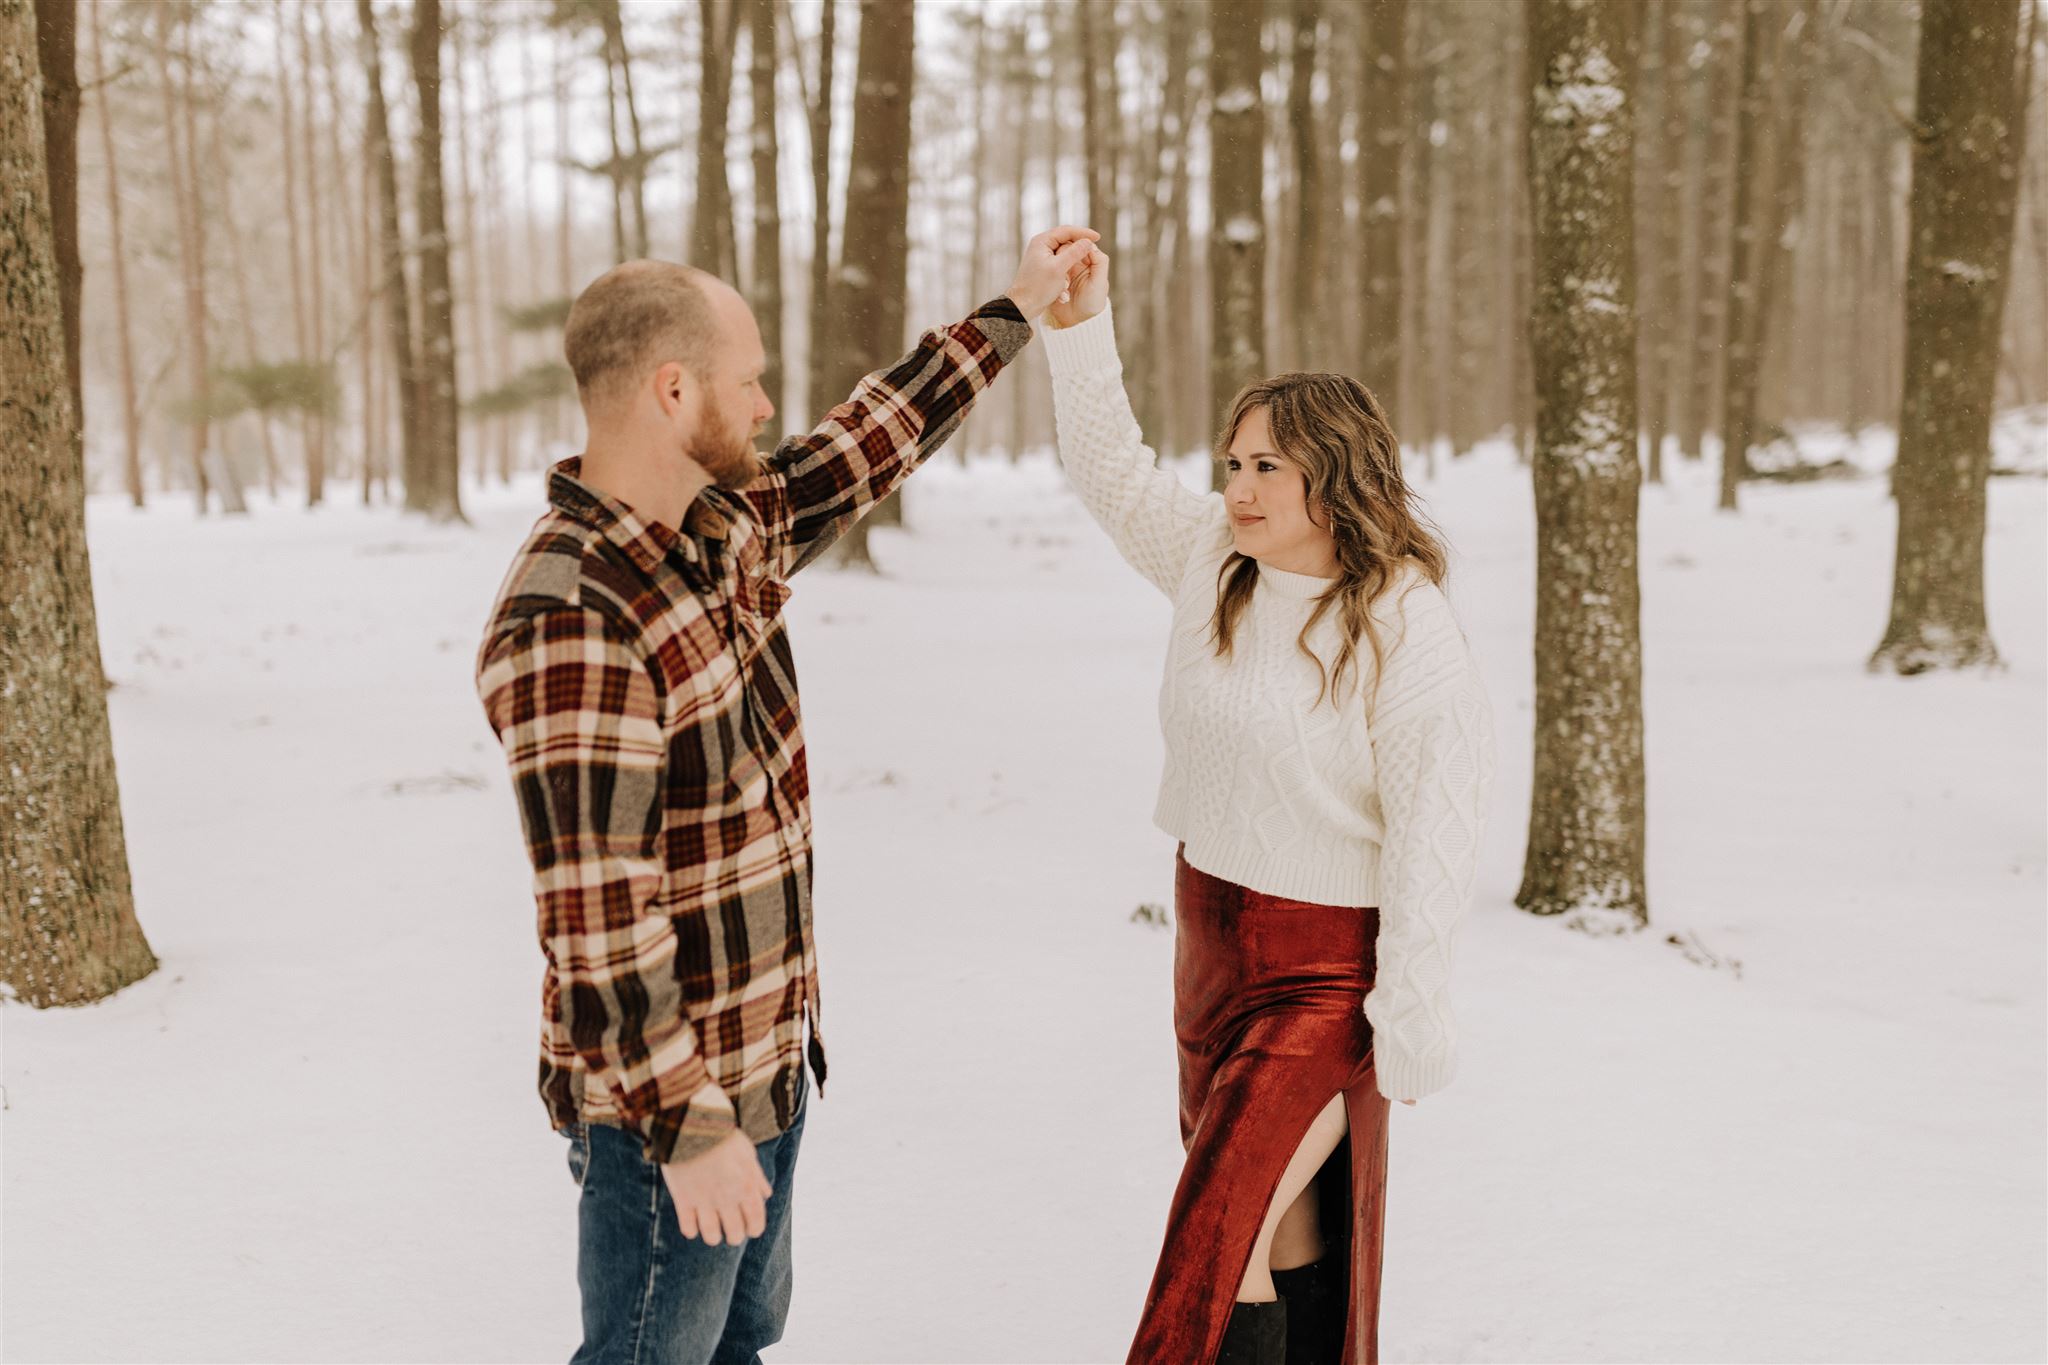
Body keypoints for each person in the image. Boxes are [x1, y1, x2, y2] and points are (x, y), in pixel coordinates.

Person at [475, 229, 1097, 1365]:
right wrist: (689, 1128)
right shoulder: (572, 614)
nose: (766, 404)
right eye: (748, 378)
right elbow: (597, 920)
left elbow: (869, 439)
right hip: (672, 1113)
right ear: (673, 390)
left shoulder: (723, 525)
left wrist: (1014, 305)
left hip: (768, 1066)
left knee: (737, 1342)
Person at [1040, 246, 1497, 1365]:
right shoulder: (1214, 560)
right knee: (1288, 1228)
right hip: (1206, 943)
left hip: (1320, 972)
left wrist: (1411, 1007)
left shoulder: (1402, 625)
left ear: (1335, 480)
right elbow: (1108, 470)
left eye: (1267, 469)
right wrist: (1080, 326)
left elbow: (1437, 832)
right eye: (1231, 462)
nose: (1237, 489)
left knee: (1215, 1244)